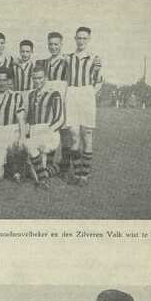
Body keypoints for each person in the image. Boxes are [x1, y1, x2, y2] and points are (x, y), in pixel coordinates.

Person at [64, 27, 103, 185]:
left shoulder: (94, 58)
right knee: (74, 134)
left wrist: (90, 93)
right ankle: (77, 171)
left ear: (89, 40)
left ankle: (84, 175)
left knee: (87, 134)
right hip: (72, 93)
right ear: (75, 39)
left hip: (86, 94)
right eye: (79, 38)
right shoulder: (68, 58)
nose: (81, 41)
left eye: (84, 38)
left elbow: (99, 80)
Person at [25, 65, 65, 188]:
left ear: (45, 78)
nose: (37, 81)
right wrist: (27, 130)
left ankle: (43, 177)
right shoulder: (31, 94)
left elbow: (60, 119)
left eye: (40, 78)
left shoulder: (54, 93)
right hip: (35, 131)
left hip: (49, 132)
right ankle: (55, 169)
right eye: (34, 78)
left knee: (30, 147)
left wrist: (47, 131)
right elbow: (29, 118)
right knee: (34, 173)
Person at [0, 68, 26, 180]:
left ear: (9, 81)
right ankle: (7, 166)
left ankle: (15, 168)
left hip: (12, 132)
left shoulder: (16, 96)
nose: (1, 83)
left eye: (4, 80)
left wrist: (22, 138)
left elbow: (21, 120)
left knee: (15, 161)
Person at [11, 40, 36, 112]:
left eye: (27, 52)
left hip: (30, 96)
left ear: (32, 52)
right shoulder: (14, 66)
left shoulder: (34, 65)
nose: (25, 54)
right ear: (19, 51)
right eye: (23, 51)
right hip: (17, 95)